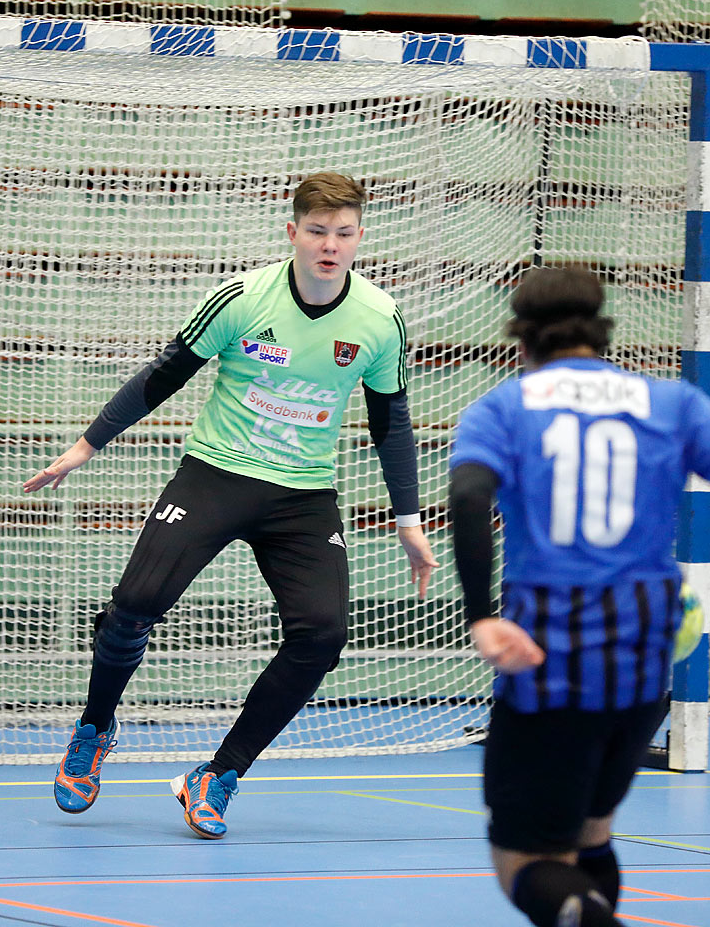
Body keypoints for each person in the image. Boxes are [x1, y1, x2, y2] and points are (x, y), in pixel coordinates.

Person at [23, 172, 438, 839]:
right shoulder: (242, 299)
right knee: (133, 607)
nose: (330, 245)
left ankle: (217, 775)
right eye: (317, 231)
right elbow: (162, 374)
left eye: (344, 233)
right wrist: (85, 447)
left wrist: (409, 521)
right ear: (292, 232)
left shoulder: (379, 319)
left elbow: (391, 424)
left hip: (303, 495)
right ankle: (95, 728)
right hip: (215, 475)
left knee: (323, 635)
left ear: (360, 236)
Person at [447, 265, 710, 927]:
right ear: (602, 330)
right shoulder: (669, 402)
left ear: (521, 339)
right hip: (643, 660)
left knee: (520, 862)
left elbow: (468, 495)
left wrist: (480, 616)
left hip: (549, 660)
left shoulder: (505, 406)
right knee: (591, 835)